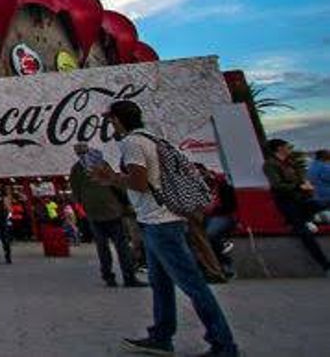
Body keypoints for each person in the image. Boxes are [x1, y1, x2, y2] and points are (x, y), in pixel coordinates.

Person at [96, 99, 237, 356]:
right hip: (161, 219)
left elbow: (139, 182)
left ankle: (223, 344)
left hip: (160, 223)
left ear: (117, 120)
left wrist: (111, 178)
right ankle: (161, 336)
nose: (110, 125)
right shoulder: (152, 138)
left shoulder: (132, 143)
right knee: (160, 283)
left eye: (111, 120)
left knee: (192, 284)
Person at [70, 142, 144, 288]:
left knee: (102, 247)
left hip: (93, 213)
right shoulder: (100, 163)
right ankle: (129, 277)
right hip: (112, 210)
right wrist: (125, 202)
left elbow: (76, 192)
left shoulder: (76, 169)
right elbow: (115, 183)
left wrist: (86, 204)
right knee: (122, 246)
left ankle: (108, 277)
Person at [262, 138, 330, 272]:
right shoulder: (270, 165)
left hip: (301, 199)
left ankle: (310, 220)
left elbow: (300, 179)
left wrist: (305, 186)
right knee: (304, 233)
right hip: (287, 203)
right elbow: (277, 185)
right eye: (287, 147)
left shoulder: (289, 163)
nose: (290, 149)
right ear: (280, 148)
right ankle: (325, 264)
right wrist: (299, 186)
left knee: (323, 203)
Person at [200, 166, 237, 279]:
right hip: (201, 217)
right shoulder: (194, 189)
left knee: (210, 234)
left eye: (202, 174)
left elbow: (230, 206)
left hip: (221, 216)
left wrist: (213, 209)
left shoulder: (223, 187)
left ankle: (224, 262)